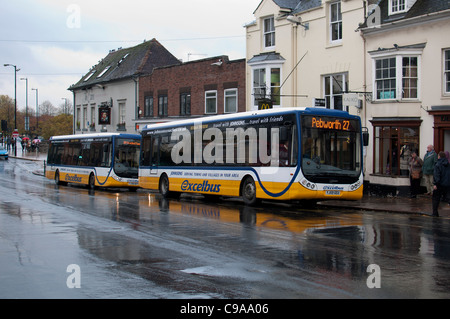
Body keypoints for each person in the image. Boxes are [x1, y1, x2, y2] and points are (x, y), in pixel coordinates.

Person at [432, 151, 450, 217]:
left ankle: (435, 213)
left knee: (436, 198)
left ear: (439, 156)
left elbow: (437, 175)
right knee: (448, 198)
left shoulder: (438, 164)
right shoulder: (448, 164)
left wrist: (435, 184)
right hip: (447, 184)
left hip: (439, 184)